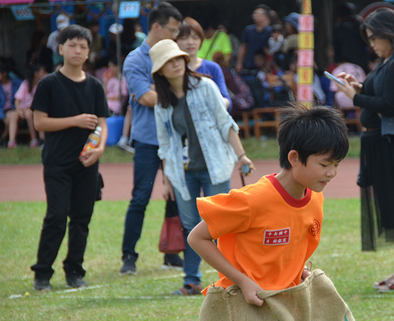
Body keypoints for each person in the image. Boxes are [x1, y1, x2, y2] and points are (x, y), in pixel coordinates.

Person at [187, 104, 349, 305]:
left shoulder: (315, 197)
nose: (332, 172)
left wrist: (301, 272)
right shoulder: (253, 200)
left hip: (287, 302)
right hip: (246, 303)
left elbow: (289, 250)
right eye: (325, 165)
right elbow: (197, 237)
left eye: (337, 164)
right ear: (294, 158)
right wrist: (242, 281)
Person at [334, 8, 394, 292]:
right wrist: (359, 87)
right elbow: (383, 94)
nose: (373, 44)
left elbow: (391, 105)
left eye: (376, 37)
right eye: (369, 39)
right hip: (385, 145)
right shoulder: (389, 61)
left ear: (392, 34)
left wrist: (357, 96)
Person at [150, 39, 254, 295]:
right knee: (191, 227)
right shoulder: (161, 103)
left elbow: (225, 122)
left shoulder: (205, 86)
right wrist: (166, 181)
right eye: (168, 62)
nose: (175, 65)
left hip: (215, 164)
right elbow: (164, 145)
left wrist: (241, 156)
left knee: (221, 225)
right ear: (160, 71)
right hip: (180, 171)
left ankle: (235, 277)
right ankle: (192, 281)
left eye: (178, 59)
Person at [30, 25, 111, 291]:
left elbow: (102, 123)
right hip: (57, 163)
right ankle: (42, 273)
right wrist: (75, 121)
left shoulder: (95, 86)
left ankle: (74, 271)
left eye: (83, 46)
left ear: (89, 52)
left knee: (81, 218)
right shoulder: (49, 84)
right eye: (72, 45)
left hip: (87, 163)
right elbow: (40, 122)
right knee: (56, 216)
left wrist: (99, 149)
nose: (78, 50)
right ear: (60, 48)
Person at [120, 2, 183, 276]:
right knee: (141, 197)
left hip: (176, 137)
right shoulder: (135, 59)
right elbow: (145, 98)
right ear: (156, 27)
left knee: (178, 195)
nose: (176, 36)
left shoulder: (175, 56)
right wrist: (182, 99)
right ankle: (128, 257)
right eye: (173, 30)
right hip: (147, 140)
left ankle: (172, 252)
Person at [176, 17, 231, 110]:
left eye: (195, 37)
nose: (190, 42)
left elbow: (226, 101)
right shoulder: (173, 68)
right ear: (176, 41)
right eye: (184, 38)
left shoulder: (212, 68)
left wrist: (216, 104)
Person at [8, 64, 48, 148]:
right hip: (23, 108)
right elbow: (17, 100)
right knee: (13, 115)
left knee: (30, 113)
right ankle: (12, 141)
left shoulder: (44, 84)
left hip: (35, 109)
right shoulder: (26, 83)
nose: (45, 74)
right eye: (42, 72)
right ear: (36, 74)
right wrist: (18, 110)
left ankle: (34, 139)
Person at [0, 64, 22, 148]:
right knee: (13, 115)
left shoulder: (18, 83)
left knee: (13, 114)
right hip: (3, 111)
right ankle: (10, 140)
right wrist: (2, 116)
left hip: (16, 109)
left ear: (5, 74)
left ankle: (7, 140)